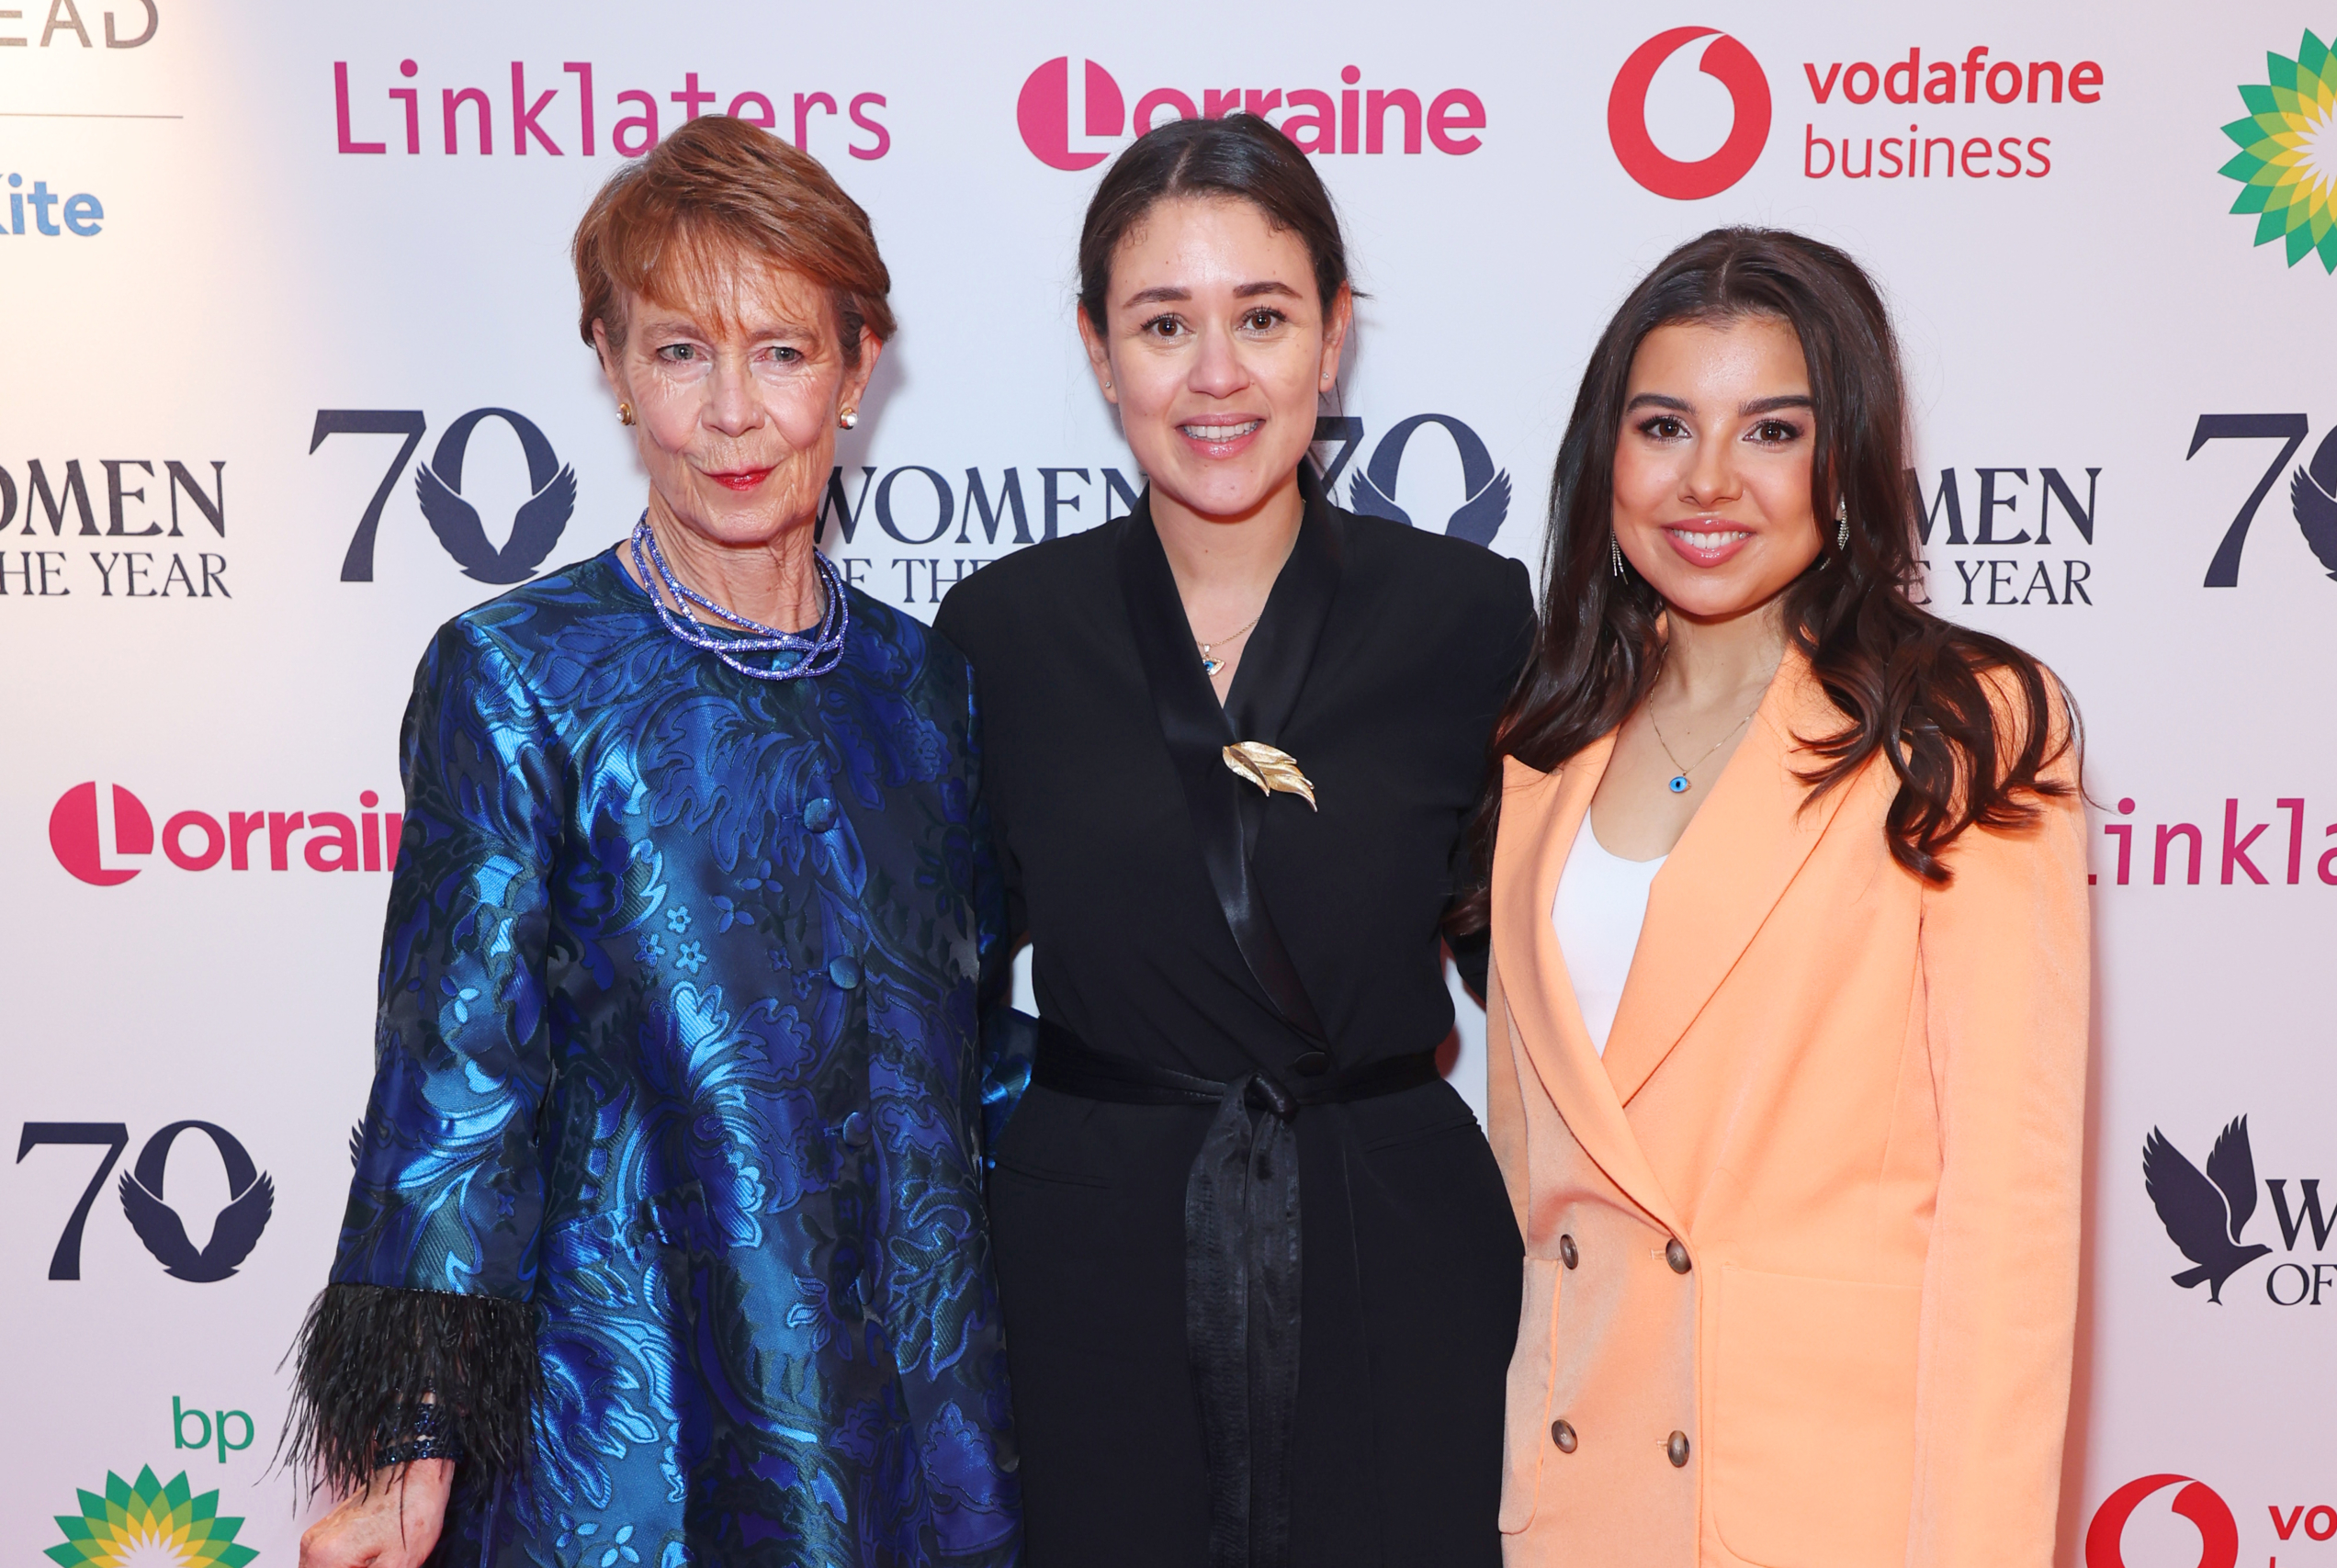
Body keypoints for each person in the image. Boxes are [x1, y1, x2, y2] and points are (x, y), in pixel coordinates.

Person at [288, 116, 1021, 1568]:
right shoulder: (520, 677)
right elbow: (457, 1076)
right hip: (633, 1428)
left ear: (859, 369)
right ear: (616, 371)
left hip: (922, 1426)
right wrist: (410, 1437)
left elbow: (975, 1061)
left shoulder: (930, 689)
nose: (734, 413)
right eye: (682, 351)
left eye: (785, 351)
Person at [932, 114, 1531, 1568]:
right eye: (1162, 324)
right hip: (1091, 1252)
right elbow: (926, 993)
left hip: (1391, 1234)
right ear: (1097, 349)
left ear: (1332, 339)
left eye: (1263, 318)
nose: (1216, 376)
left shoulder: (1472, 615)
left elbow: (1544, 971)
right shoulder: (1001, 631)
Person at [1461, 227, 2088, 1567]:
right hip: (1576, 1501)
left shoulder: (1963, 728)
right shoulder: (1544, 745)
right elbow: (1538, 1188)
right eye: (1666, 424)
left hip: (1824, 1509)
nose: (1708, 481)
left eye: (1771, 431)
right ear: (1606, 457)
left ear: (1845, 459)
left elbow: (2007, 1222)